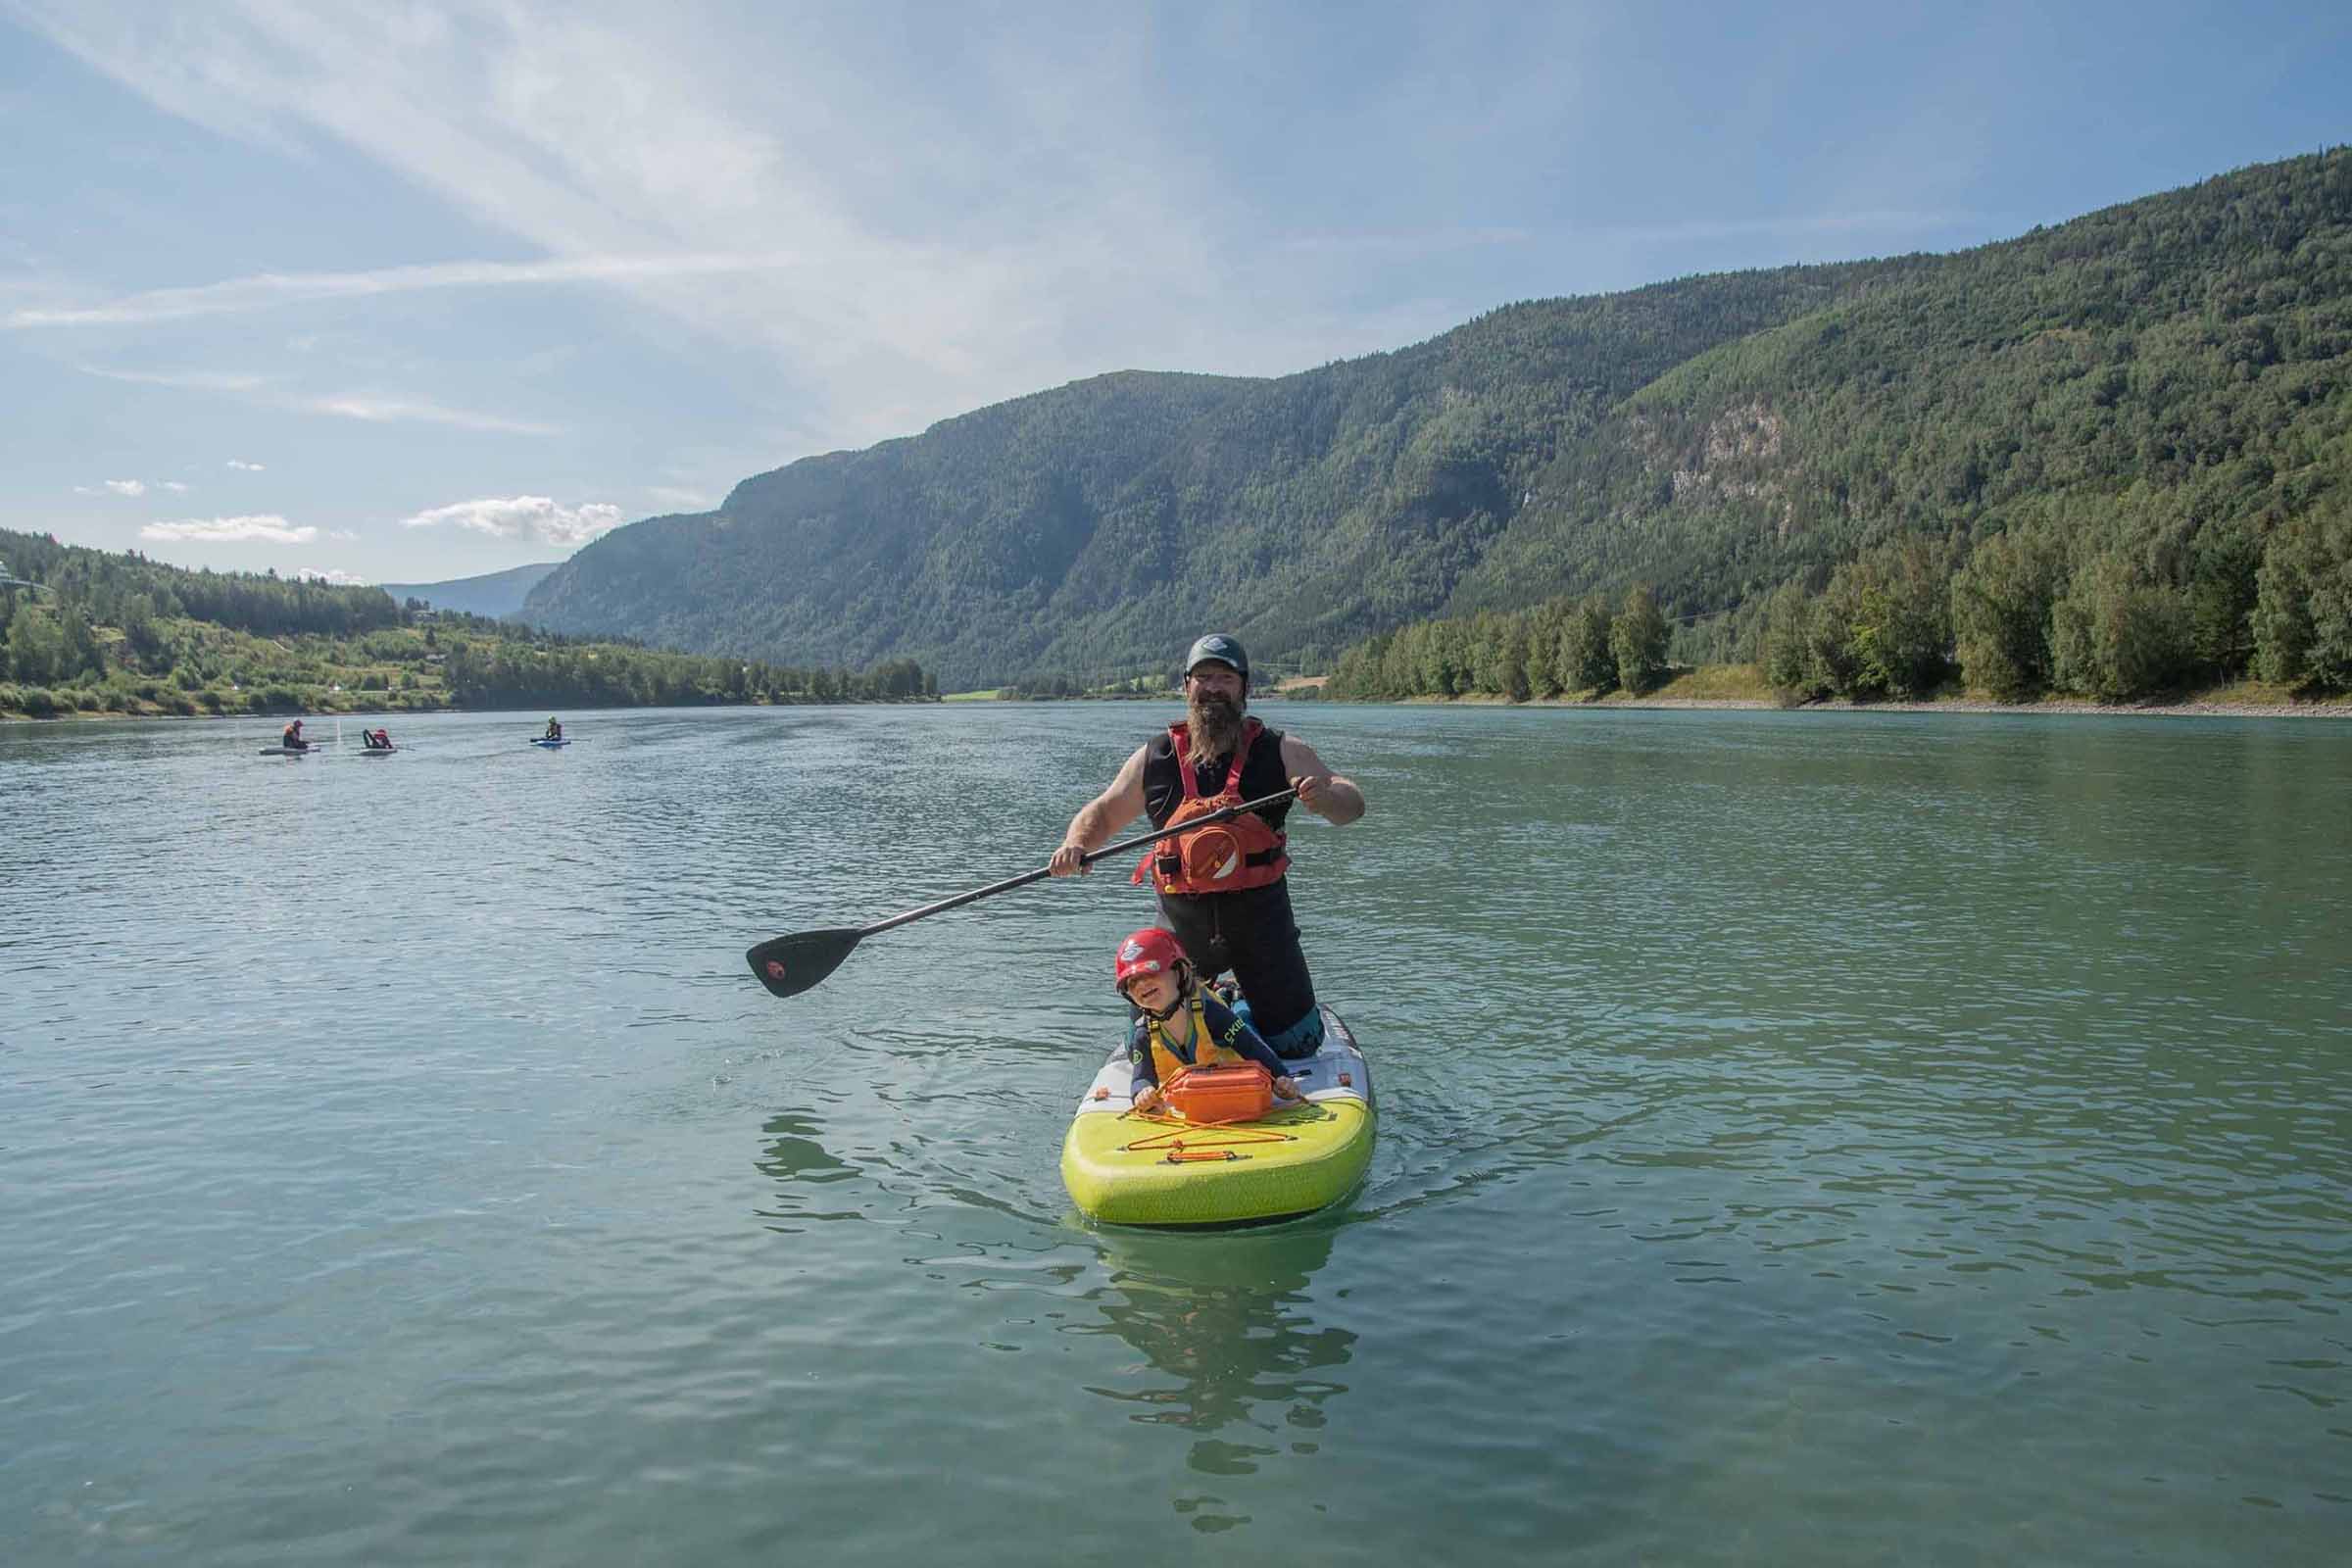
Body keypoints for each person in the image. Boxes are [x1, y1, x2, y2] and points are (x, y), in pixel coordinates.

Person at [1050, 633, 1365, 1059]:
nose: (1213, 687)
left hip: (1262, 924)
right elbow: (1103, 813)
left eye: (1225, 678)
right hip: (1183, 932)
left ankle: (1229, 1011)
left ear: (1245, 689)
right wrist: (1076, 842)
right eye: (1203, 677)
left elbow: (1352, 804)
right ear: (1186, 686)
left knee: (1299, 1044)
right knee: (1156, 1044)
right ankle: (1216, 1006)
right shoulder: (1155, 758)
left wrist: (1325, 798)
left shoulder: (1280, 750)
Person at [1112, 927, 1298, 1114]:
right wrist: (1142, 1093)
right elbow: (1140, 1078)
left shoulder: (1212, 1014)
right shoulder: (1143, 1034)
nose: (1142, 985)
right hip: (1194, 1093)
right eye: (1132, 982)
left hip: (1227, 1063)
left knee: (1245, 1022)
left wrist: (1280, 1077)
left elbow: (1251, 1046)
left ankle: (1236, 996)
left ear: (1179, 971)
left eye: (1150, 973)